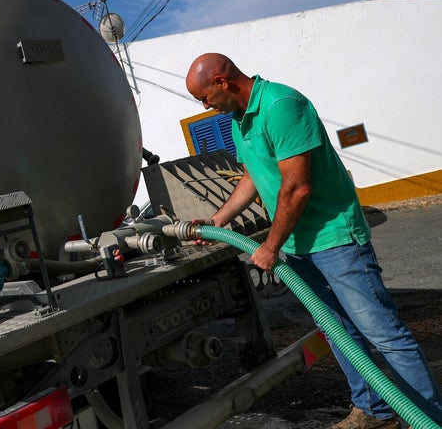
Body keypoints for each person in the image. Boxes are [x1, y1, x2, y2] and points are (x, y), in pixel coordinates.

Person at [185, 53, 442, 429]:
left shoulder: (280, 105)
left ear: (222, 82)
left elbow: (298, 186)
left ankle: (428, 418)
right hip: (299, 244)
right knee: (339, 331)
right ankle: (373, 411)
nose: (205, 106)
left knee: (383, 334)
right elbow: (252, 176)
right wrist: (217, 220)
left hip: (334, 239)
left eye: (204, 97)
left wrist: (270, 246)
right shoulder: (241, 120)